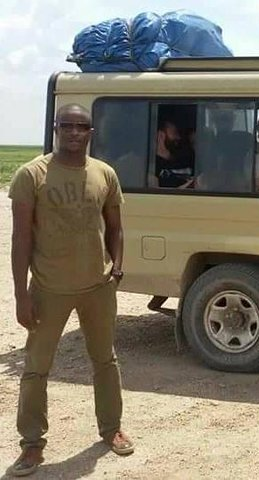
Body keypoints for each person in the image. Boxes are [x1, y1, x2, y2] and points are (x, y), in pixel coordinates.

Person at [7, 104, 133, 477]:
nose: (75, 132)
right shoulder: (33, 175)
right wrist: (21, 295)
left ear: (90, 132)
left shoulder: (104, 174)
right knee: (36, 368)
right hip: (49, 288)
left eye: (82, 127)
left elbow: (116, 227)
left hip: (98, 287)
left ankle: (112, 430)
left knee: (105, 362)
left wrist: (118, 269)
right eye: (68, 126)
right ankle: (32, 445)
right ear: (56, 129)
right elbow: (20, 238)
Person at [153, 119, 194, 188]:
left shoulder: (187, 160)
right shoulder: (152, 166)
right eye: (174, 133)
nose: (179, 137)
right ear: (161, 136)